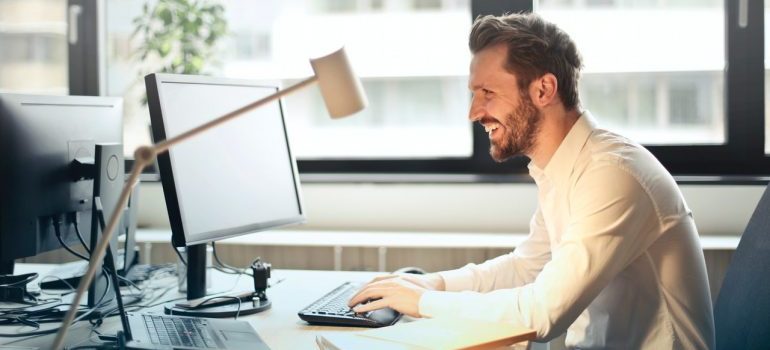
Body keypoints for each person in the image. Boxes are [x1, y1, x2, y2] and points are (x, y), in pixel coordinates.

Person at [349, 13, 715, 349]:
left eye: (487, 93)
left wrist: (422, 302)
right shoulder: (562, 167)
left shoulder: (613, 174)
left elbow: (543, 315)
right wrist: (435, 284)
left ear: (543, 90)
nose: (474, 112)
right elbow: (527, 267)